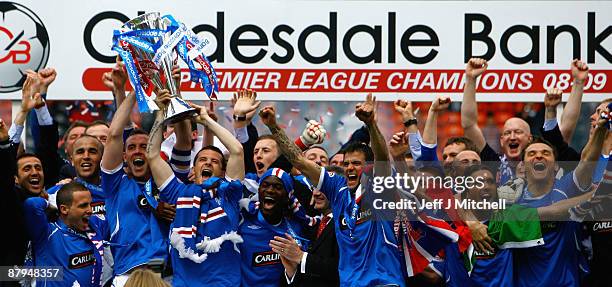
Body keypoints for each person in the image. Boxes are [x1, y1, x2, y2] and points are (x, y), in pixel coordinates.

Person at [261, 94, 406, 286]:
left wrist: (371, 124)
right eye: (346, 164)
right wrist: (273, 127)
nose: (350, 168)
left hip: (383, 282)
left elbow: (381, 158)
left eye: (356, 163)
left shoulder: (380, 188)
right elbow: (299, 161)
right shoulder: (338, 189)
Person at [146, 98, 245, 287]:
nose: (208, 163)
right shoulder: (178, 193)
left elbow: (237, 151)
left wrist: (206, 120)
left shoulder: (229, 195)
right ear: (194, 168)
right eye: (202, 160)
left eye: (215, 161)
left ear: (223, 172)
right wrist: (161, 114)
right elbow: (152, 155)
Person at [100, 91, 167, 287]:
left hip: (162, 275)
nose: (138, 151)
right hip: (127, 275)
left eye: (144, 147)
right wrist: (135, 92)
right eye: (131, 147)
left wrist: (162, 113)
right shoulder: (115, 185)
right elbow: (113, 135)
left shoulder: (167, 183)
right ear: (124, 156)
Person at [461, 58, 533, 184]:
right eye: (507, 133)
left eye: (518, 132)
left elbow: (565, 131)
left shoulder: (542, 162)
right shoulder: (494, 164)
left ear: (530, 139)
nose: (512, 137)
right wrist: (471, 79)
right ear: (501, 141)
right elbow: (469, 125)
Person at [23, 182, 107, 287]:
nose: (90, 210)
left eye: (90, 204)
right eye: (83, 205)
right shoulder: (47, 234)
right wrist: (49, 204)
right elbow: (31, 204)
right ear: (64, 209)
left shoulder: (95, 225)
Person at [240, 167, 308, 287]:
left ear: (288, 197)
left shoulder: (296, 230)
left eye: (278, 187)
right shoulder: (242, 222)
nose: (270, 191)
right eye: (265, 185)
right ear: (259, 190)